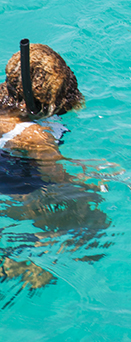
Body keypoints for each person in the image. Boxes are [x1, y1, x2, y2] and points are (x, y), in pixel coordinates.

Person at [0, 41, 109, 295]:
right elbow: (57, 178)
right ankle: (38, 264)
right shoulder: (35, 136)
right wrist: (88, 179)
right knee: (92, 218)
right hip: (16, 196)